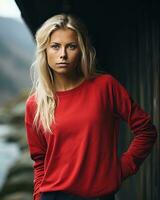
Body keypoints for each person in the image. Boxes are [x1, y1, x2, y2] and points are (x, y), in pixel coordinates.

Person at [25, 14, 157, 200]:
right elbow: (39, 162)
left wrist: (121, 169)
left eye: (71, 46)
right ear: (45, 51)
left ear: (82, 50)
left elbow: (146, 130)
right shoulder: (35, 103)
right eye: (55, 46)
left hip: (99, 196)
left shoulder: (105, 87)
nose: (63, 54)